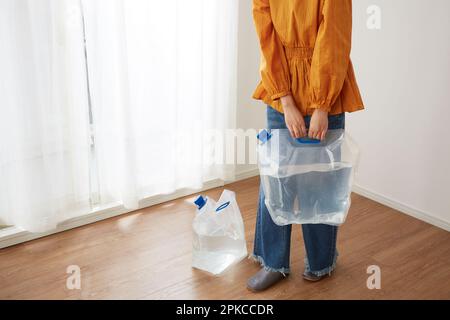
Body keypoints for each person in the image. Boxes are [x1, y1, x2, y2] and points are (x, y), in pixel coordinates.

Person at [248, 0, 364, 292]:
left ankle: (322, 261)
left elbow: (334, 39)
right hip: (281, 87)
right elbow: (267, 35)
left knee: (320, 180)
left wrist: (321, 106)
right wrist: (285, 99)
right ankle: (273, 261)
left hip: (326, 87)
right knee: (275, 179)